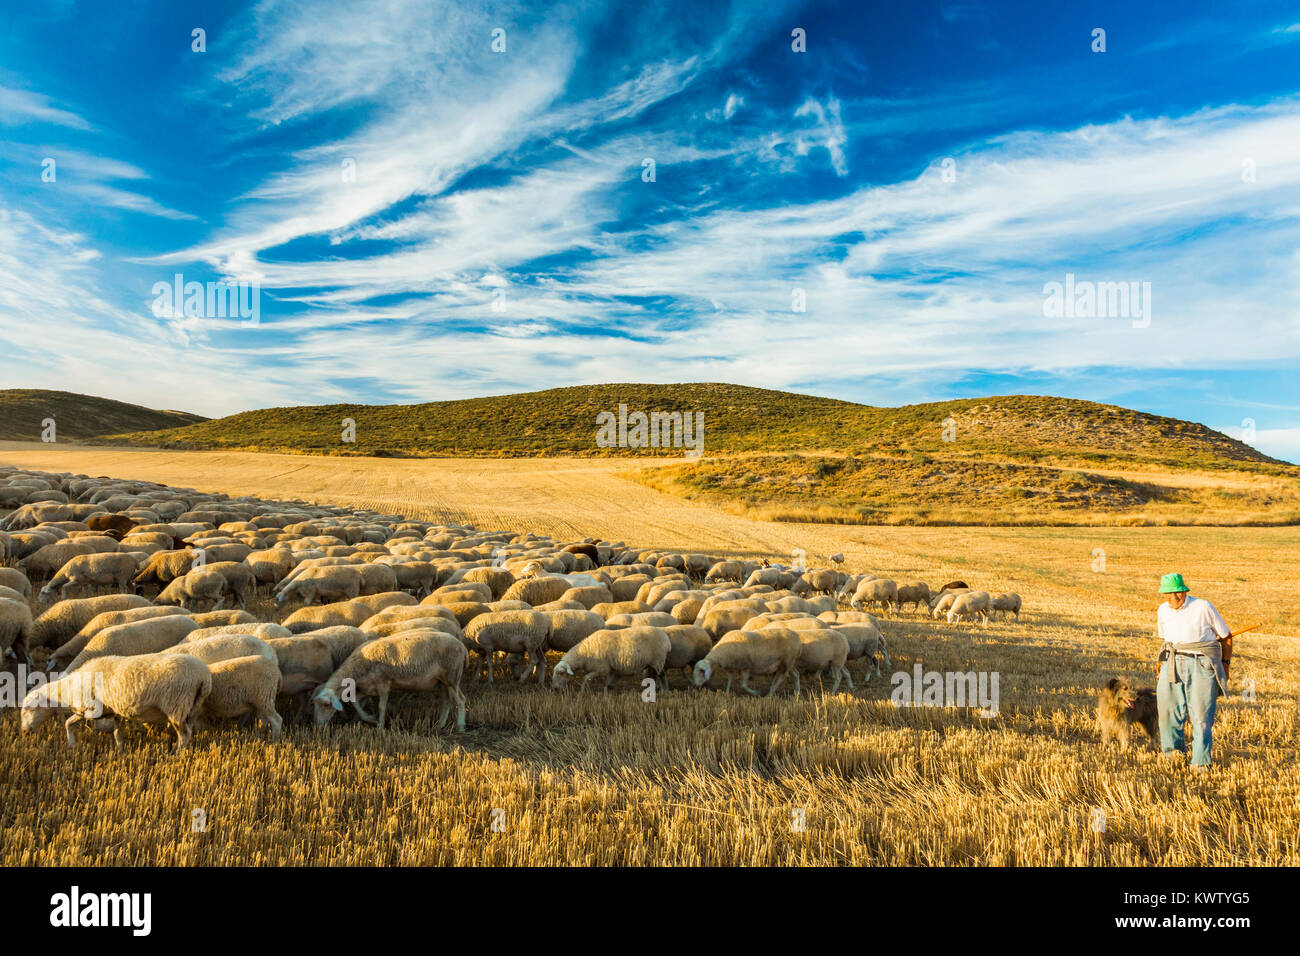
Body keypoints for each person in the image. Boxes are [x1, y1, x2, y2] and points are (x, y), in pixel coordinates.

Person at [1155, 573, 1230, 769]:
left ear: (1185, 590)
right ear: (1163, 594)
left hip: (1201, 663)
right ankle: (1173, 755)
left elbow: (1226, 636)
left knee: (1201, 716)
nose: (1174, 596)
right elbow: (1167, 639)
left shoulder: (1203, 607)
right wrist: (1161, 663)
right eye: (1168, 593)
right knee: (1168, 712)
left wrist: (1225, 664)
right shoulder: (1163, 610)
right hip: (1171, 662)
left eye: (1177, 591)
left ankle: (1200, 764)